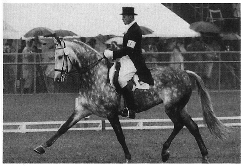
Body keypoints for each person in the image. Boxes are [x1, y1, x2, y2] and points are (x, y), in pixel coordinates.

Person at [104, 7, 154, 119]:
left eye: (124, 16)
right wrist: (116, 49)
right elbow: (127, 48)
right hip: (127, 59)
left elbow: (129, 49)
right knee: (112, 74)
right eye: (123, 16)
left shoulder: (135, 30)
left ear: (131, 16)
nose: (123, 18)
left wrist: (113, 54)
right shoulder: (130, 29)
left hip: (133, 60)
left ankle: (131, 109)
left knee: (121, 79)